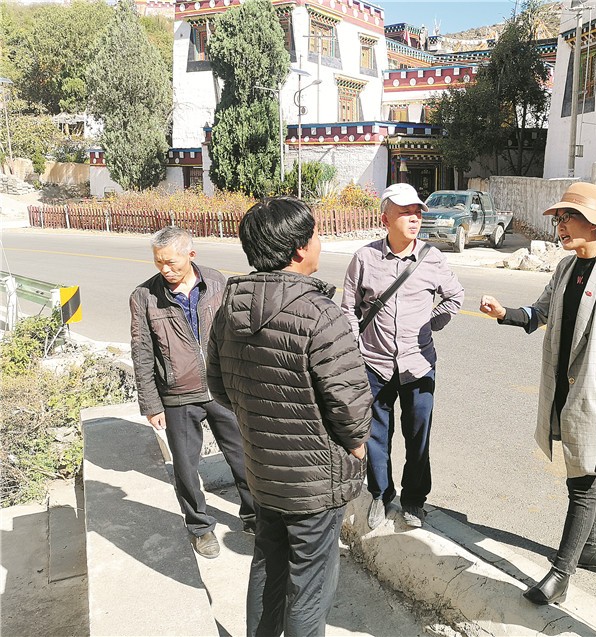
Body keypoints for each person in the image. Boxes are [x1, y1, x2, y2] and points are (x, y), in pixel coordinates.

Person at [206, 197, 372, 637]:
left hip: (263, 470)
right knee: (309, 587)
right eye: (316, 235)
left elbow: (219, 386)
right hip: (314, 480)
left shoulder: (229, 309)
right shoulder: (321, 314)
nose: (320, 242)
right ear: (299, 249)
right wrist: (357, 445)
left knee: (268, 565)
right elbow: (350, 404)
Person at [479, 182, 596, 605]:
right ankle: (593, 550)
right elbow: (540, 311)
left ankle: (561, 575)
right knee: (583, 467)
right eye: (559, 219)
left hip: (594, 393)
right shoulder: (565, 269)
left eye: (569, 218)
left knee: (581, 482)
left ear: (595, 222)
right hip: (563, 387)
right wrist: (505, 313)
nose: (560, 225)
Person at [341, 182, 464, 529]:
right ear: (385, 219)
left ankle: (414, 500)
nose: (414, 218)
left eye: (417, 212)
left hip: (418, 365)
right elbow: (348, 308)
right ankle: (381, 495)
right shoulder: (365, 258)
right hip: (374, 364)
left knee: (418, 436)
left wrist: (429, 325)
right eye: (405, 212)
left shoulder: (432, 258)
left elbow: (455, 297)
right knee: (376, 437)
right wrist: (356, 346)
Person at [130, 226, 254, 559]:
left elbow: (235, 333)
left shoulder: (216, 282)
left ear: (191, 255)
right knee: (185, 468)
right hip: (177, 395)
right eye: (159, 262)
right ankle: (200, 527)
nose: (165, 269)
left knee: (244, 458)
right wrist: (151, 403)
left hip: (222, 389)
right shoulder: (144, 296)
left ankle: (254, 516)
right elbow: (141, 352)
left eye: (171, 262)